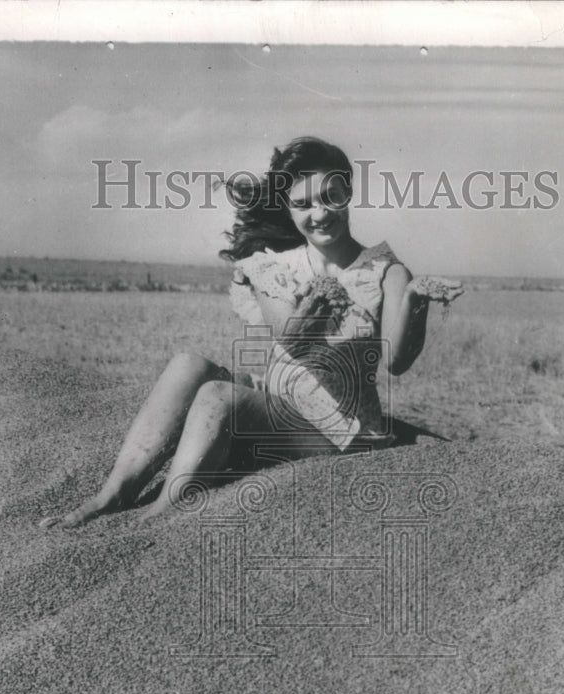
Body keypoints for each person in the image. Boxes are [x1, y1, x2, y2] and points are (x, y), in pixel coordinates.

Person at [40, 136, 462, 528]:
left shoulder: (386, 270)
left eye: (331, 196)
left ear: (348, 192)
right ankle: (113, 493)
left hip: (340, 434)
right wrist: (312, 306)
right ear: (289, 208)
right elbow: (289, 342)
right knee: (188, 364)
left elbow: (397, 363)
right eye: (303, 204)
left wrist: (415, 300)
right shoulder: (273, 267)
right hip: (271, 415)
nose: (319, 214)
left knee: (218, 396)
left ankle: (162, 514)